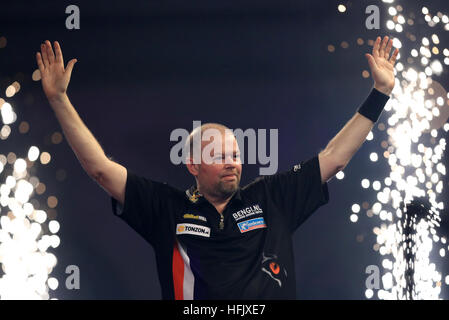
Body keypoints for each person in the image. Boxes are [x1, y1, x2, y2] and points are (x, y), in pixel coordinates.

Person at [36, 36, 399, 299]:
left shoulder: (272, 197)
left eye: (235, 154)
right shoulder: (166, 209)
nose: (231, 162)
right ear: (192, 164)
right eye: (219, 156)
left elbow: (336, 157)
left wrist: (380, 93)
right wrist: (58, 99)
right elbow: (99, 168)